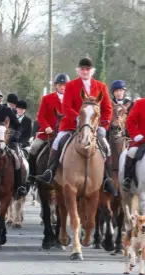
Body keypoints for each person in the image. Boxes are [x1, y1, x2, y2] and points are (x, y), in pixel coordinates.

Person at [36, 57, 118, 196]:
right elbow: (66, 106)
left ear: (91, 71)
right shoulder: (71, 85)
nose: (85, 71)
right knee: (57, 141)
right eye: (82, 69)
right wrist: (78, 119)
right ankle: (50, 171)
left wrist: (104, 125)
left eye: (87, 69)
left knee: (107, 147)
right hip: (70, 125)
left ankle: (107, 179)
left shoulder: (101, 86)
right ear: (78, 71)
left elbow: (108, 109)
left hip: (93, 127)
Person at [28, 73, 69, 181]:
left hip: (66, 133)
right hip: (47, 134)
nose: (62, 87)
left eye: (64, 85)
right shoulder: (47, 98)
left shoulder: (72, 100)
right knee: (32, 149)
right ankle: (31, 177)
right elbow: (40, 116)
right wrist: (46, 127)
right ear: (55, 86)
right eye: (60, 85)